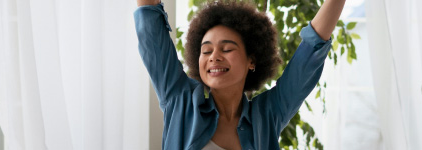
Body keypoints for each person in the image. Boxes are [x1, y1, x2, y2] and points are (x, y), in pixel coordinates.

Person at [134, 0, 346, 149]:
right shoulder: (180, 101)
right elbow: (150, 27)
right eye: (206, 51)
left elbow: (310, 51)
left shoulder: (268, 115)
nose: (213, 57)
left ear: (251, 61)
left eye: (226, 49)